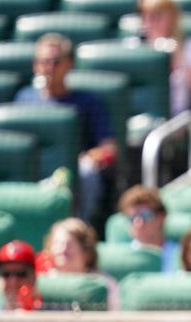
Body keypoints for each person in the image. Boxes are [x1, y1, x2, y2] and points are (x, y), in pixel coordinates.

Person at [14, 33, 117, 226]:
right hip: (33, 172)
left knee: (87, 171)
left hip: (70, 174)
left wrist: (85, 159)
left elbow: (109, 148)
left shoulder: (87, 101)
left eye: (55, 61)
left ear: (70, 64)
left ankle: (79, 227)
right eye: (43, 62)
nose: (48, 68)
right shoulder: (23, 99)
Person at [137, 0, 191, 117]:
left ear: (172, 18)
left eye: (157, 17)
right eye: (146, 16)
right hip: (144, 117)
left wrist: (179, 57)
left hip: (179, 120)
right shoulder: (135, 47)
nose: (150, 23)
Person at [41, 218, 120, 310]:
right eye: (57, 243)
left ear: (86, 250)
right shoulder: (43, 282)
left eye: (69, 244)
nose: (62, 249)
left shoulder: (105, 284)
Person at [117, 184, 178, 273]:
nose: (138, 223)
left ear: (161, 217)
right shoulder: (121, 258)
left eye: (145, 216)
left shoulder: (179, 255)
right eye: (132, 218)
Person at [0, 240, 40, 311]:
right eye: (6, 274)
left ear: (33, 277)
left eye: (21, 274)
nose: (13, 281)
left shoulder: (51, 313)